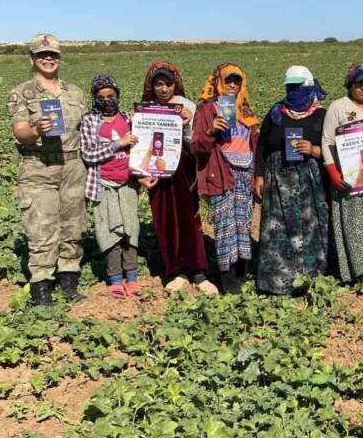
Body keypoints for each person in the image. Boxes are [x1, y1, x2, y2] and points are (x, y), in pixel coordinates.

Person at [7, 34, 87, 305]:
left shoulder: (75, 92)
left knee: (73, 227)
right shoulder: (22, 92)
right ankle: (41, 289)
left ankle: (69, 282)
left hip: (73, 165)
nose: (48, 58)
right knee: (41, 228)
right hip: (39, 165)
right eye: (42, 55)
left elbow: (88, 128)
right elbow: (20, 132)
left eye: (52, 54)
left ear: (59, 58)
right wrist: (34, 130)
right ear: (33, 59)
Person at [139, 62, 217, 295]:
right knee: (165, 220)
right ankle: (176, 271)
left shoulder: (187, 107)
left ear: (176, 84)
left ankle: (199, 271)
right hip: (157, 170)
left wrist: (185, 124)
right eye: (159, 84)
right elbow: (142, 143)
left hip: (184, 168)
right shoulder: (146, 109)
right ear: (151, 86)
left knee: (190, 218)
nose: (164, 89)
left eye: (169, 84)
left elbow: (197, 143)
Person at [253, 66, 330, 294]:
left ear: (309, 86)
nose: (294, 91)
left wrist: (314, 150)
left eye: (299, 87)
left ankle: (311, 280)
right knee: (277, 229)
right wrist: (259, 175)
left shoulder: (322, 115)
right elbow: (262, 146)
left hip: (309, 180)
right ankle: (278, 282)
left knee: (310, 228)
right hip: (278, 180)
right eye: (290, 87)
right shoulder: (277, 112)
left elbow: (334, 148)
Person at [192, 63, 260, 294]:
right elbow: (197, 147)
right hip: (221, 172)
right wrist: (211, 132)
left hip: (245, 173)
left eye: (237, 81)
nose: (232, 85)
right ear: (219, 82)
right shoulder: (206, 109)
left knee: (243, 224)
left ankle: (241, 274)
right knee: (225, 227)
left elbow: (254, 144)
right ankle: (228, 282)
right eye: (228, 80)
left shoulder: (246, 111)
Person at [321, 64, 363, 283]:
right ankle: (354, 272)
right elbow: (327, 141)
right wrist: (333, 171)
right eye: (359, 83)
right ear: (350, 84)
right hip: (348, 179)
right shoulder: (338, 108)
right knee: (352, 228)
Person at [79, 75, 141, 298]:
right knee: (108, 232)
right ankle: (115, 278)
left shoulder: (128, 118)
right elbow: (88, 153)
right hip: (102, 184)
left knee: (130, 229)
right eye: (101, 97)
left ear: (117, 96)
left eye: (111, 96)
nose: (107, 101)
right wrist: (118, 144)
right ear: (95, 99)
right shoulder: (89, 121)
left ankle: (132, 277)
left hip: (128, 182)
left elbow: (142, 146)